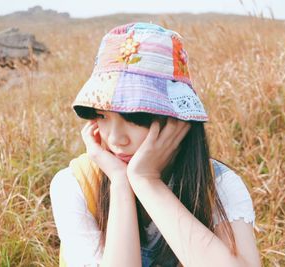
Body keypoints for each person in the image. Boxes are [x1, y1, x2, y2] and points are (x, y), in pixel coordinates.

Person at [50, 22, 261, 267]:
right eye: (103, 116)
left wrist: (146, 181)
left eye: (136, 117)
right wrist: (121, 183)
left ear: (178, 121)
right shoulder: (76, 184)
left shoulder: (218, 184)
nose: (116, 139)